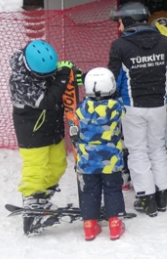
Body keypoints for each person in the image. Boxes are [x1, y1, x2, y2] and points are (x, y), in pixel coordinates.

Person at [108, 2, 167, 217]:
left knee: (138, 152)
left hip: (132, 107)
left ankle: (147, 199)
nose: (119, 26)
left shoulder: (119, 46)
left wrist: (119, 97)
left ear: (130, 20)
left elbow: (113, 79)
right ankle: (162, 196)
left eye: (121, 21)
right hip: (158, 106)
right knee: (157, 149)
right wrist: (164, 89)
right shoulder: (164, 42)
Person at [9, 40, 78, 234]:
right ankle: (31, 210)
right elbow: (46, 100)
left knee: (58, 165)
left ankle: (42, 200)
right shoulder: (18, 81)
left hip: (52, 129)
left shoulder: (46, 68)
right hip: (32, 132)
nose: (49, 77)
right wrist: (62, 78)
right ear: (31, 70)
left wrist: (73, 75)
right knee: (36, 171)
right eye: (43, 76)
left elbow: (61, 83)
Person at [75, 67, 126, 241]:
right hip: (110, 161)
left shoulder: (82, 107)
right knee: (112, 190)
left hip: (88, 161)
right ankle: (114, 225)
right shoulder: (115, 106)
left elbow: (78, 112)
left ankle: (89, 226)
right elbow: (123, 112)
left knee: (90, 191)